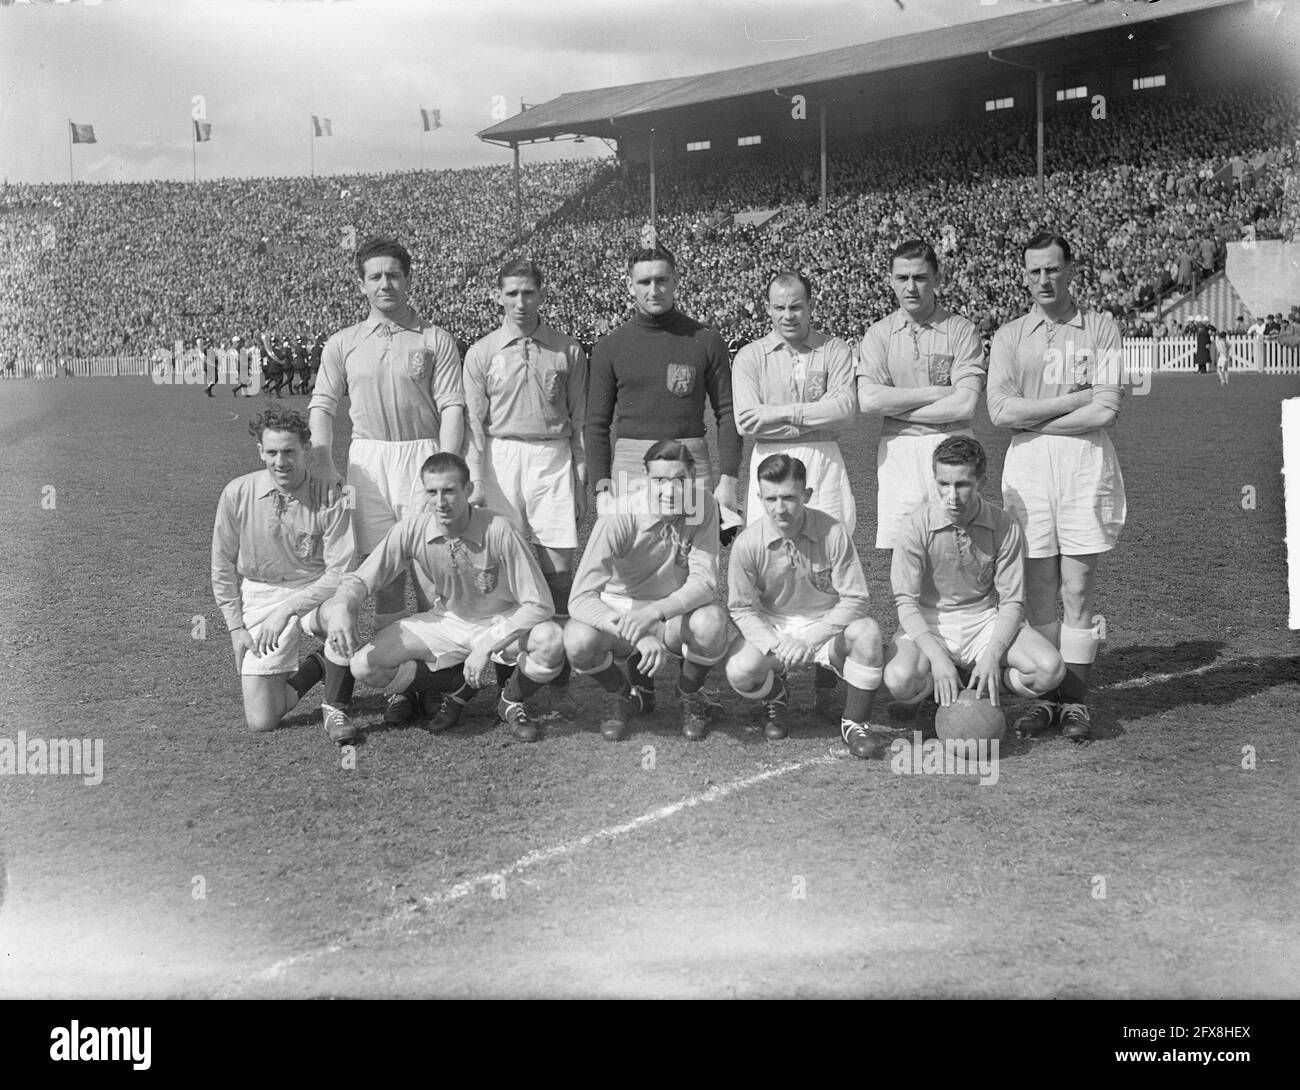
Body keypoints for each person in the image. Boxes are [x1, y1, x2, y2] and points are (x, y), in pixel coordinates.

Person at [308, 236, 466, 726]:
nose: (384, 284)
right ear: (361, 284)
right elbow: (322, 405)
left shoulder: (434, 337)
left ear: (408, 278)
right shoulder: (343, 342)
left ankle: (436, 679)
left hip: (422, 455)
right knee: (388, 579)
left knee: (433, 572)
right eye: (374, 276)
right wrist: (325, 462)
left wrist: (446, 464)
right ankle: (401, 686)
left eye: (393, 275)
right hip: (369, 463)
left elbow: (453, 406)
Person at [986, 231, 1125, 742]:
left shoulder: (1103, 328)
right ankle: (1046, 701)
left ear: (1070, 271)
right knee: (1039, 591)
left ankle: (1076, 704)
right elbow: (999, 411)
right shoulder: (1009, 336)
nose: (1043, 279)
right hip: (1027, 469)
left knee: (1078, 590)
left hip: (1085, 465)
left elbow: (1107, 407)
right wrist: (1073, 401)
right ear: (1023, 276)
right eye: (1034, 271)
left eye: (1052, 269)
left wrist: (1034, 419)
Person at [321, 453, 563, 742]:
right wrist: (342, 605)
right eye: (432, 492)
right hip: (449, 620)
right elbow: (363, 577)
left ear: (468, 490)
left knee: (550, 641)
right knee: (364, 665)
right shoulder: (413, 529)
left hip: (501, 620)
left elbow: (540, 603)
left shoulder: (499, 529)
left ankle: (510, 699)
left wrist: (486, 644)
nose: (440, 501)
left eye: (449, 490)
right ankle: (457, 684)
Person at [463, 258, 587, 716]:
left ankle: (558, 682)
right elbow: (475, 425)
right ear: (499, 296)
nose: (521, 302)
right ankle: (508, 681)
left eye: (528, 292)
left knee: (557, 570)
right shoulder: (481, 352)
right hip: (500, 457)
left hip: (552, 456)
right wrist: (477, 479)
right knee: (504, 570)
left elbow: (580, 418)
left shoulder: (567, 350)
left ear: (541, 294)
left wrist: (579, 477)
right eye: (512, 293)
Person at [884, 435, 1065, 733]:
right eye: (943, 484)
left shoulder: (1004, 525)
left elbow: (1012, 602)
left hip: (983, 620)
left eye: (962, 484)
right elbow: (905, 602)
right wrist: (937, 656)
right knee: (899, 680)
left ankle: (977, 684)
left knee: (1049, 669)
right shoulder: (915, 525)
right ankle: (934, 689)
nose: (951, 495)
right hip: (930, 620)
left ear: (981, 480)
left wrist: (993, 654)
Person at [565, 439, 730, 742]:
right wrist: (637, 632)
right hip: (621, 611)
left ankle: (689, 694)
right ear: (644, 479)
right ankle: (620, 693)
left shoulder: (702, 505)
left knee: (712, 622)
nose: (670, 491)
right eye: (659, 481)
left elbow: (705, 582)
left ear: (692, 479)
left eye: (680, 480)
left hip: (670, 612)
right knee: (577, 640)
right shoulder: (619, 515)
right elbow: (580, 598)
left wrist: (654, 613)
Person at [210, 405, 358, 743]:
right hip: (261, 594)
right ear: (260, 451)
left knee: (340, 614)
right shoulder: (237, 493)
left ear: (306, 449)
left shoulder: (331, 495)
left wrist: (289, 610)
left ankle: (335, 709)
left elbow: (341, 572)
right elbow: (221, 566)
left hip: (315, 588)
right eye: (272, 452)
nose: (281, 461)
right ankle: (318, 666)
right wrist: (236, 628)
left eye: (290, 451)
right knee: (262, 721)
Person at [726, 454, 887, 758]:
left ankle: (855, 723)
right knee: (739, 671)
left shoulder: (833, 532)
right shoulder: (747, 543)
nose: (779, 508)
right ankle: (777, 697)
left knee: (868, 633)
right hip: (776, 627)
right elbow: (741, 609)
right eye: (771, 498)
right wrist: (776, 643)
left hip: (825, 627)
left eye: (788, 497)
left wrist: (811, 639)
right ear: (759, 497)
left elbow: (856, 598)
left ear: (807, 495)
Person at [585, 243, 741, 517]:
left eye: (661, 280)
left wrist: (728, 480)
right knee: (632, 557)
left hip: (689, 464)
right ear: (630, 285)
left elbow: (727, 413)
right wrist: (602, 489)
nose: (653, 290)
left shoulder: (705, 340)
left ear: (675, 281)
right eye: (644, 281)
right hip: (630, 469)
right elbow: (596, 424)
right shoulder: (609, 347)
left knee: (694, 555)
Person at [857, 239, 986, 550]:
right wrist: (935, 392)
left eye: (920, 277)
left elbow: (965, 404)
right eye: (902, 278)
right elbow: (869, 401)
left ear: (936, 279)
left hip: (953, 446)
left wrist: (895, 405)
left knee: (958, 554)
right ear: (890, 280)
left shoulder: (961, 330)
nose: (910, 287)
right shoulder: (878, 334)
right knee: (903, 557)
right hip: (898, 454)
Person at [731, 271, 857, 532]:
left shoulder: (835, 350)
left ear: (811, 305)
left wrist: (775, 413)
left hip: (823, 462)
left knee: (829, 548)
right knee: (768, 554)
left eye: (796, 307)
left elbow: (844, 410)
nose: (787, 315)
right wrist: (819, 415)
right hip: (769, 458)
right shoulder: (750, 356)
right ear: (767, 308)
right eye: (779, 307)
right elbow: (746, 423)